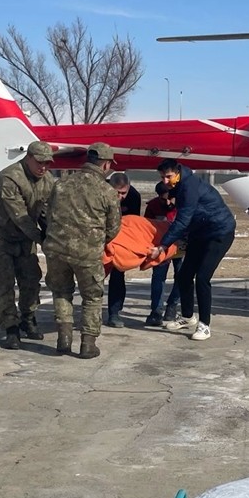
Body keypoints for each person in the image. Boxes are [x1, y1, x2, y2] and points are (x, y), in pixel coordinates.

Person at [43, 142, 121, 358]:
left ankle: (64, 338)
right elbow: (113, 228)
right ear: (105, 165)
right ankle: (88, 344)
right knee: (92, 296)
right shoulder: (107, 191)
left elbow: (49, 216)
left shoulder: (60, 185)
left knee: (61, 292)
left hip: (56, 250)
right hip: (87, 254)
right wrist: (95, 241)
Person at [0, 139, 55, 349]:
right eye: (39, 162)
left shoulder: (48, 181)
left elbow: (47, 213)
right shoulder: (10, 178)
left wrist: (52, 235)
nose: (43, 167)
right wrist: (43, 240)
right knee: (2, 283)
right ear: (28, 158)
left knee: (31, 280)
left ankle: (28, 319)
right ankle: (10, 327)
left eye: (47, 163)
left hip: (23, 238)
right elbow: (20, 216)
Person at [149, 158, 235, 342]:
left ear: (178, 172)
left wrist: (163, 245)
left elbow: (182, 220)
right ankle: (188, 317)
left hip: (219, 233)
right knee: (184, 275)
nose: (165, 181)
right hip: (200, 232)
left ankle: (204, 325)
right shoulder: (179, 185)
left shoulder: (189, 187)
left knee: (202, 278)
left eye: (168, 176)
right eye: (162, 177)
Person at [105, 171, 143, 328]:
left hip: (119, 238)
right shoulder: (101, 193)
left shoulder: (133, 196)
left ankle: (114, 312)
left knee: (118, 274)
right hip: (98, 236)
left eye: (123, 193)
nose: (120, 197)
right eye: (117, 193)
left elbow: (131, 223)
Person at [143, 181, 182, 327]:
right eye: (162, 198)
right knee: (158, 277)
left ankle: (172, 305)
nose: (167, 202)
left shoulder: (183, 205)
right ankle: (156, 311)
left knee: (182, 276)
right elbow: (147, 227)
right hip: (161, 247)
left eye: (169, 198)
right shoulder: (153, 206)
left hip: (180, 245)